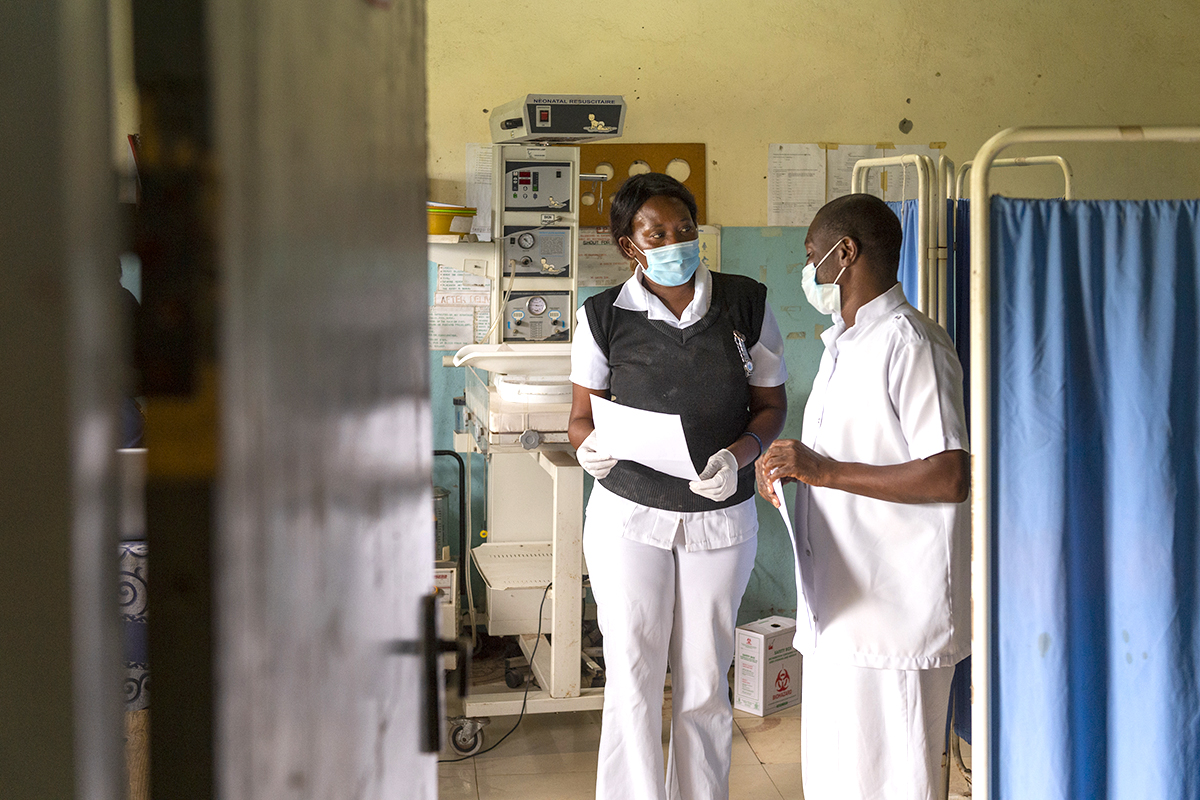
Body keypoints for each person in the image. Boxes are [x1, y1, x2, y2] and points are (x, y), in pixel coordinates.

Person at [568, 173, 788, 800]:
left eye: (685, 228)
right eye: (656, 232)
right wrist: (592, 452)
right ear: (628, 245)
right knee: (633, 675)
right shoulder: (605, 315)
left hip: (720, 512)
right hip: (629, 516)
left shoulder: (745, 303)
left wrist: (742, 455)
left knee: (702, 681)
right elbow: (581, 417)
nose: (675, 241)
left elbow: (771, 406)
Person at [757, 193, 970, 800]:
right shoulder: (842, 345)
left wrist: (821, 471)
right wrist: (788, 474)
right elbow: (846, 459)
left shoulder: (912, 342)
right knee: (837, 779)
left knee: (893, 782)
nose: (809, 272)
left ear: (843, 252)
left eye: (810, 256)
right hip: (840, 606)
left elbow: (949, 474)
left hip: (896, 616)